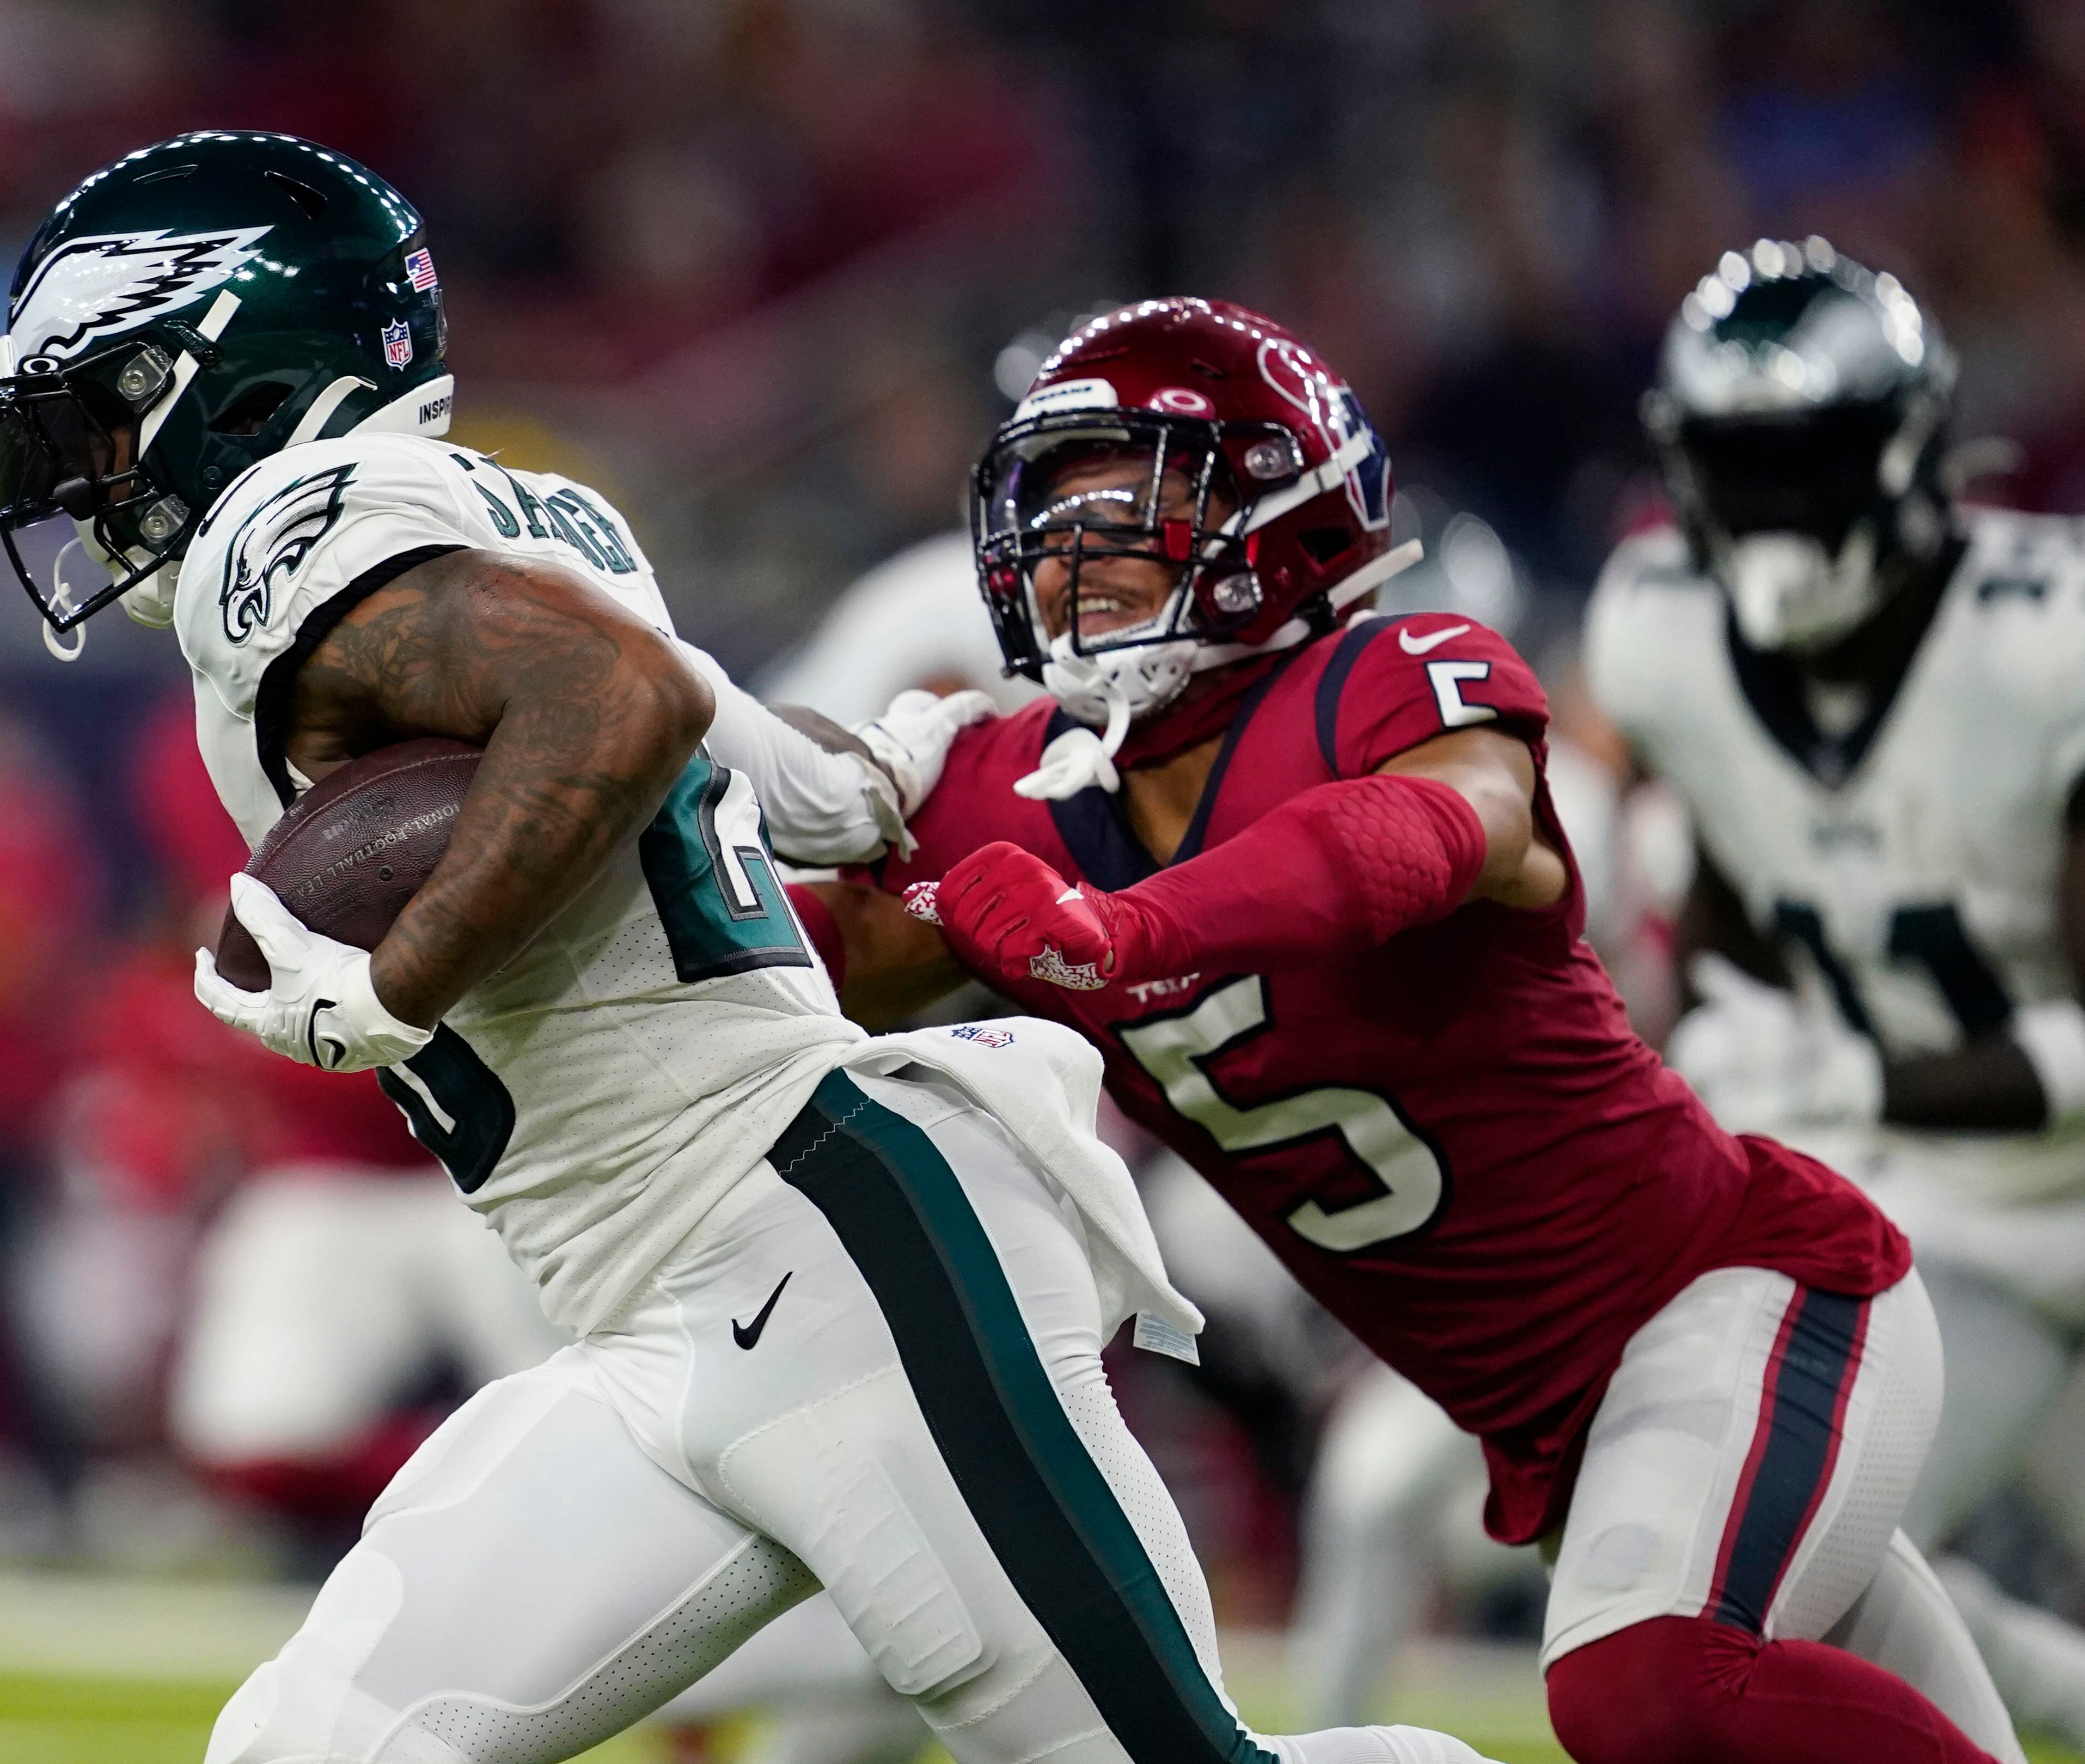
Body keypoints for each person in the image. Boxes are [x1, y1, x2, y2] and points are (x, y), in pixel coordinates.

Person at [0, 132, 1493, 1764]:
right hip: (660, 1314)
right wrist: (878, 770)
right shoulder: (514, 505)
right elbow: (754, 758)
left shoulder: (291, 523)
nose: (100, 464)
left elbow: (618, 703)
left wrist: (386, 985)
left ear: (241, 370)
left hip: (823, 1241)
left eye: (117, 402)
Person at [803, 295, 2021, 1763]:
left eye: (1124, 512)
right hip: (1559, 1423)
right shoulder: (1007, 788)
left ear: (1276, 518)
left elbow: (1439, 827)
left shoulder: (1388, 682)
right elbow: (793, 977)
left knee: (1640, 1685)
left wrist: (1127, 934)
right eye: (1047, 518)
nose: (1070, 559)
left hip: (1740, 1299)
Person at [1587, 237, 2085, 1748]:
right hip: (1935, 1224)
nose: (1769, 513)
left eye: (1802, 465)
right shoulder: (1659, 633)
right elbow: (1744, 890)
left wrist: (1852, 1079)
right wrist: (1734, 1022)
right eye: (1739, 467)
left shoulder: (2044, 643)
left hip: (2041, 1186)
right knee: (1809, 1571)